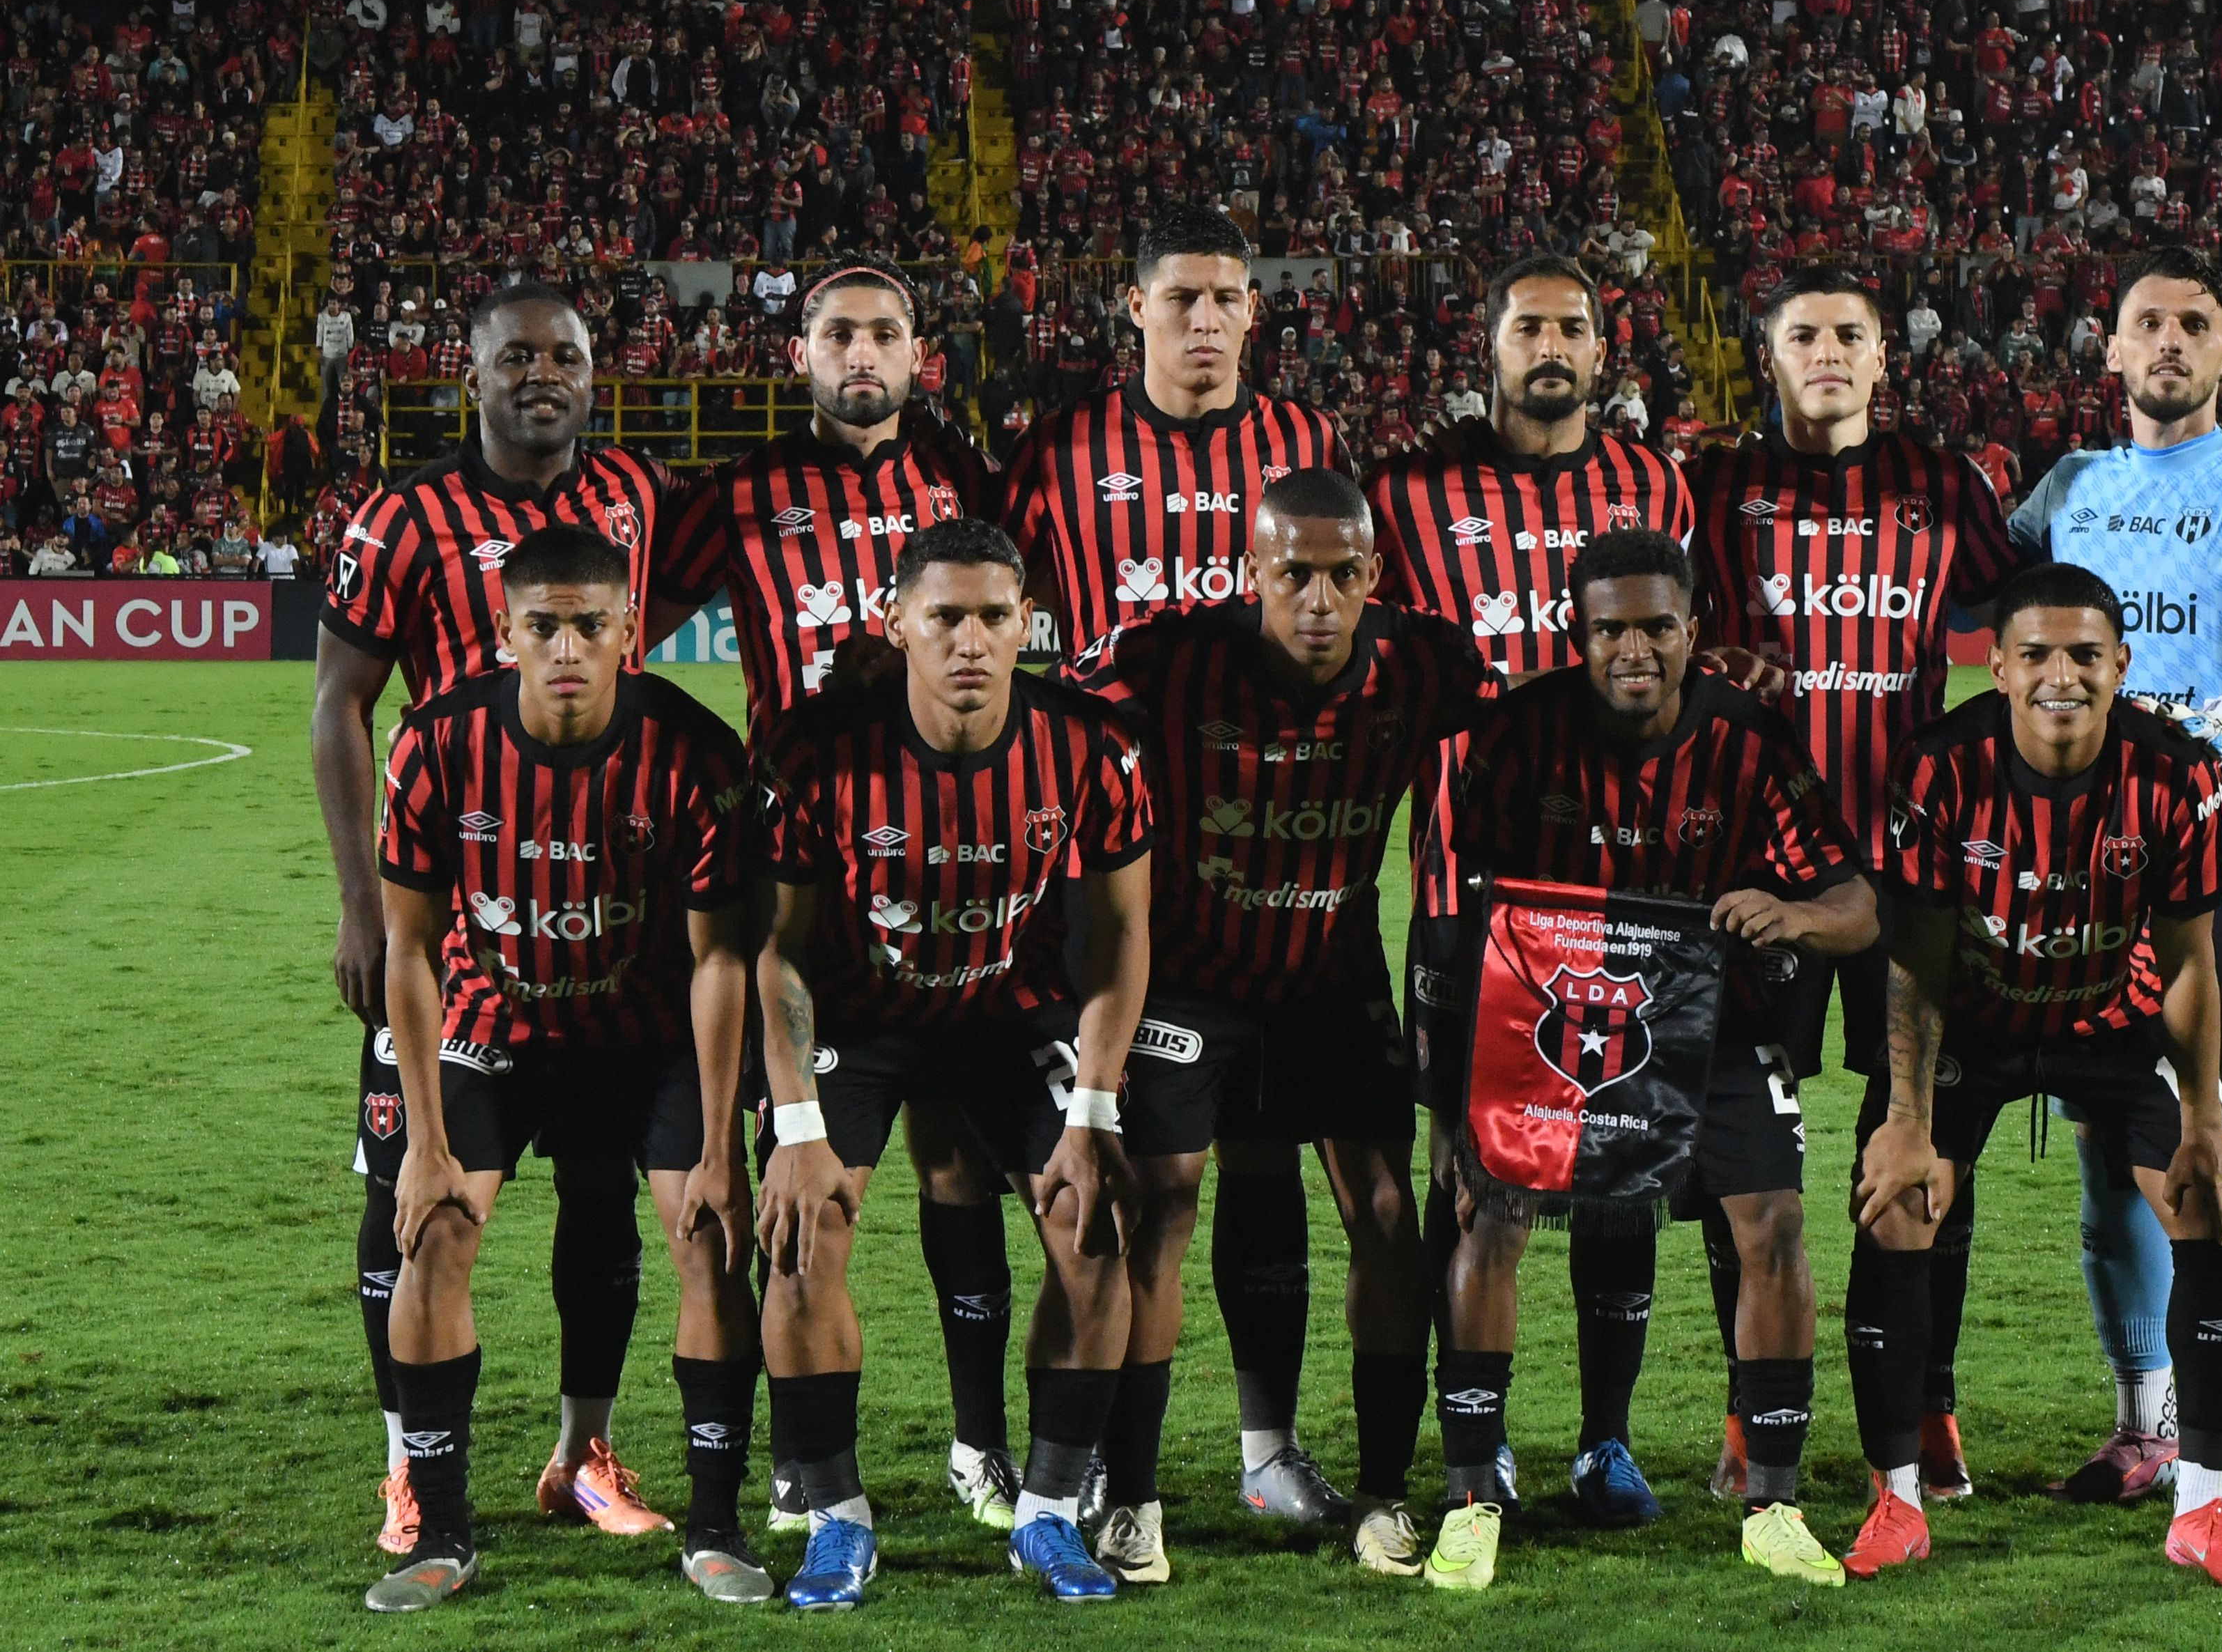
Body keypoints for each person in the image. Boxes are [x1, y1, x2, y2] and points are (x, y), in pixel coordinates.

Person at [314, 281, 704, 1555]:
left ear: (598, 374)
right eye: (517, 356)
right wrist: (365, 906)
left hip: (615, 930)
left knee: (601, 1193)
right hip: (463, 912)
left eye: (569, 357)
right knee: (412, 1197)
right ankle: (408, 1471)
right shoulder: (404, 514)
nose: (545, 374)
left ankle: (581, 1453)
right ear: (469, 374)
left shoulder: (637, 499)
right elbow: (339, 704)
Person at [1056, 468, 1499, 1580]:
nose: (1315, 596)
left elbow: (1540, 717)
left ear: (1373, 578)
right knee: (1161, 1203)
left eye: (1340, 574)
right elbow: (1037, 709)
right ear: (1252, 572)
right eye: (1290, 572)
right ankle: (1133, 1495)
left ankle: (1389, 1497)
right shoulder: (1170, 657)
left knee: (1390, 1207)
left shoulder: (1422, 661)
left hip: (1329, 979)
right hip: (1190, 982)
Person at [647, 259, 1016, 1535]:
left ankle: (981, 1449)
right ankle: (803, 1461)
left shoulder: (967, 483)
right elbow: (620, 624)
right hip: (800, 875)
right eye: (837, 332)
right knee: (798, 1167)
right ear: (800, 352)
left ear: (922, 356)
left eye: (886, 333)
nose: (862, 353)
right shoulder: (740, 496)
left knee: (960, 1159)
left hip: (960, 865)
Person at [1433, 529, 1874, 1589]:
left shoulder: (1753, 741)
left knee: (1773, 1220)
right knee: (1490, 1215)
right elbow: (1459, 911)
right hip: (1551, 1025)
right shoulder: (1514, 738)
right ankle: (1468, 1494)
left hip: (1714, 1024)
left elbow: (1862, 905)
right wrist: (1448, 1099)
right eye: (1609, 628)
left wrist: (1795, 912)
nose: (1634, 648)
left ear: (1694, 631)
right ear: (1573, 634)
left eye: (1656, 626)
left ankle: (1773, 1499)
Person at [1842, 562, 2222, 1590]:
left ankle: (2203, 1508)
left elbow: (2186, 961)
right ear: (1995, 667)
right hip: (1973, 1024)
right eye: (2036, 654)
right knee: (1896, 1202)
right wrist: (1908, 1116)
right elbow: (1916, 956)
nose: (2062, 675)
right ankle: (1895, 1498)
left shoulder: (2172, 775)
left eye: (2086, 655)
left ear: (2122, 665)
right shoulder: (1941, 767)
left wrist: (2206, 1121)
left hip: (2111, 1022)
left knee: (2211, 1202)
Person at [752, 519, 1155, 1606]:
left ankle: (1050, 1511)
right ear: (898, 624)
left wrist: (1097, 1109)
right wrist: (794, 1128)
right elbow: (778, 949)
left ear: (1028, 624)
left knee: (1095, 1225)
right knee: (802, 1234)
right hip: (859, 1013)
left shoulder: (1089, 745)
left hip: (1005, 1008)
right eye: (946, 617)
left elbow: (1121, 940)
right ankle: (836, 1516)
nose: (971, 640)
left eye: (993, 616)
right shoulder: (815, 749)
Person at [362, 525, 764, 1611]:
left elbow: (724, 956)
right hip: (495, 1018)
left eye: (593, 624)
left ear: (631, 630)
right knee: (437, 1226)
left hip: (647, 1030)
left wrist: (724, 1148)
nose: (569, 647)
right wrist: (427, 1141)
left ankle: (714, 1525)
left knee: (712, 1237)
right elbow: (408, 945)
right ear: (506, 632)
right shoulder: (436, 744)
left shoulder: (695, 751)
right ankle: (438, 1530)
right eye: (543, 625)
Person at [2013, 245, 2222, 1533]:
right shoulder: (2068, 490)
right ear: (2109, 350)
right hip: (2098, 887)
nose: (2167, 341)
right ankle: (2144, 1419)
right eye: (2144, 322)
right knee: (2119, 1161)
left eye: (2193, 324)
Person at [1684, 261, 2023, 1500]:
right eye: (1804, 335)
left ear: (1886, 359)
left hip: (1915, 868)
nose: (1828, 352)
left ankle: (1926, 1407)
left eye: (1851, 336)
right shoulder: (1709, 487)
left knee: (1924, 1142)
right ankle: (1745, 1411)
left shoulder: (1943, 485)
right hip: (1756, 869)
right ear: (1767, 357)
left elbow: (2020, 613)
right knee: (1744, 1161)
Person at [1369, 252, 1695, 1525]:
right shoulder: (1411, 492)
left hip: (1630, 898)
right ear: (1487, 345)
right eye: (1525, 327)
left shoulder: (1652, 482)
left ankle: (1605, 1441)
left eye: (1571, 326)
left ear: (1603, 352)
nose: (1547, 346)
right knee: (1469, 1177)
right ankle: (1481, 1437)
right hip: (1467, 892)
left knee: (1619, 1171)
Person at [1003, 203, 1352, 661]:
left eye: (1225, 299)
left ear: (1250, 309)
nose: (1205, 321)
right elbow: (994, 599)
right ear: (1137, 306)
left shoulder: (1312, 441)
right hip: (1111, 730)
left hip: (1265, 729)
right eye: (1181, 298)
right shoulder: (1057, 447)